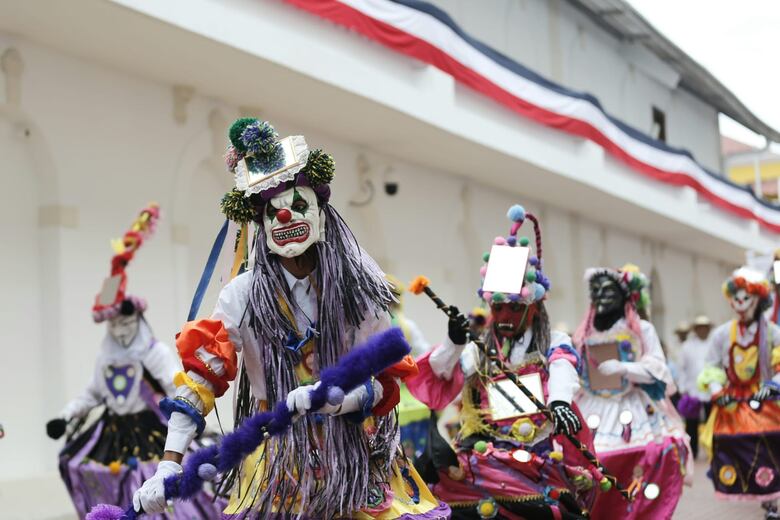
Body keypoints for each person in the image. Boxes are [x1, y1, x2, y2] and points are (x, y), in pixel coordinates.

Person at [132, 119, 448, 519]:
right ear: (261, 225)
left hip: (357, 458)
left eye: (299, 206)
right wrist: (168, 465)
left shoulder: (358, 285)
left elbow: (383, 382)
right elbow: (200, 384)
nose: (286, 219)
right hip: (278, 460)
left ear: (320, 211)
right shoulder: (241, 295)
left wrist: (337, 399)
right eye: (273, 213)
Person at [408, 204, 596, 519]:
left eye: (514, 308)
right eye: (499, 308)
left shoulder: (553, 342)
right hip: (485, 455)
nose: (505, 317)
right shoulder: (481, 347)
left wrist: (561, 402)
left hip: (538, 457)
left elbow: (564, 367)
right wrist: (454, 341)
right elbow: (442, 373)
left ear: (534, 307)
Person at [46, 204, 223, 518]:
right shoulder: (106, 356)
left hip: (149, 430)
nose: (121, 331)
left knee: (151, 481)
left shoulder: (153, 352)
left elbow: (175, 385)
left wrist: (196, 419)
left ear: (139, 319)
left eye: (126, 323)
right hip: (111, 434)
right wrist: (65, 416)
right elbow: (94, 393)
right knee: (79, 465)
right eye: (114, 325)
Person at [573, 266, 690, 520]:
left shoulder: (642, 329)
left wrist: (625, 368)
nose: (601, 296)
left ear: (625, 295)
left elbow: (658, 369)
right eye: (595, 291)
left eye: (608, 290)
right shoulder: (584, 332)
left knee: (646, 458)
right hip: (593, 407)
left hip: (632, 408)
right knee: (590, 461)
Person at [698, 268, 780, 519]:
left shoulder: (773, 332)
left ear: (759, 300)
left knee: (771, 446)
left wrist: (773, 385)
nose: (741, 304)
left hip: (763, 401)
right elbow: (711, 365)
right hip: (733, 402)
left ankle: (771, 501)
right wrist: (716, 390)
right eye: (737, 298)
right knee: (728, 445)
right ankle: (740, 487)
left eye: (747, 298)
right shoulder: (722, 333)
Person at [385, 274, 432, 459]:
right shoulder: (407, 326)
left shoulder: (399, 326)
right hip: (409, 397)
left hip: (397, 396)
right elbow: (425, 354)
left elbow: (424, 354)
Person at [676, 315, 713, 459]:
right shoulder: (687, 347)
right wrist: (682, 387)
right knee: (691, 423)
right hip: (693, 390)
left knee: (712, 420)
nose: (703, 331)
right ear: (696, 330)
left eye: (705, 328)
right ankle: (693, 451)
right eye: (700, 328)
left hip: (711, 389)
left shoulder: (713, 344)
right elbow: (681, 368)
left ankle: (712, 450)